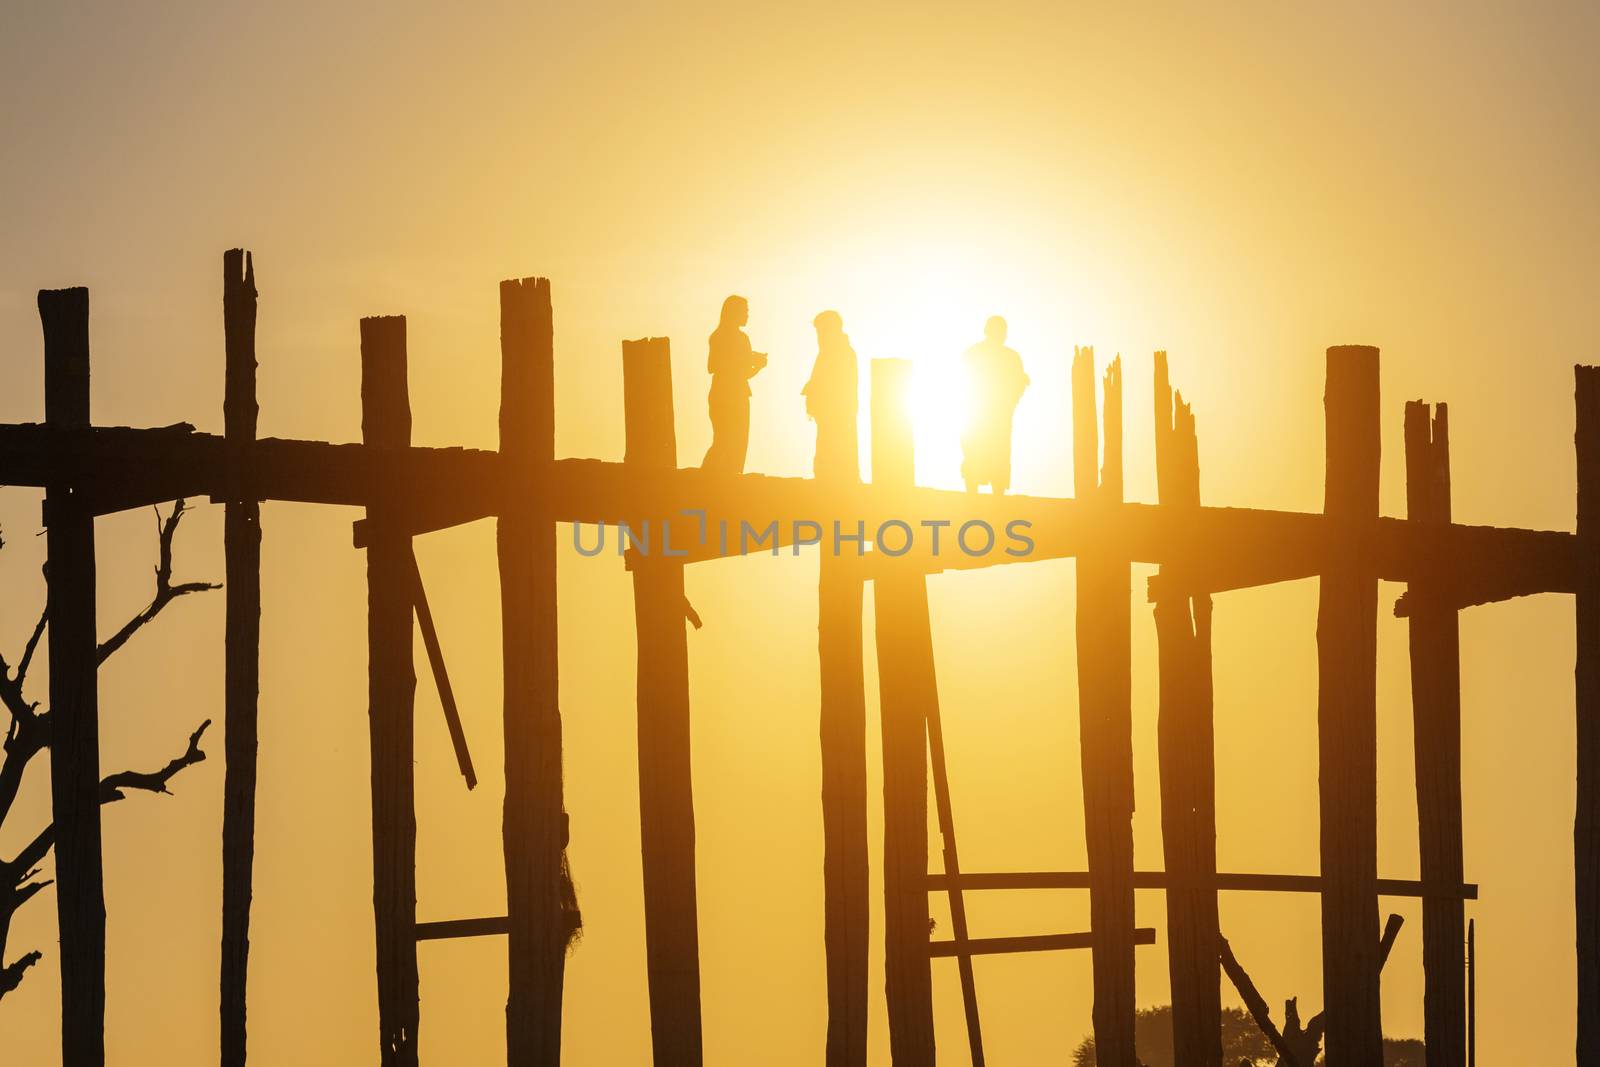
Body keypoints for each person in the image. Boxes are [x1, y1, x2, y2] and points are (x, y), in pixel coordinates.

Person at [959, 315, 1029, 494]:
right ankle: (981, 495)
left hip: (990, 416)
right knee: (981, 453)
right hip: (982, 415)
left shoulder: (973, 354)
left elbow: (1019, 384)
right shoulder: (1009, 357)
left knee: (990, 455)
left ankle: (983, 495)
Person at [701, 295, 767, 473]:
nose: (747, 315)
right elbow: (741, 372)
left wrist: (748, 357)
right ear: (734, 312)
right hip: (734, 397)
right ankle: (715, 478)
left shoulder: (717, 336)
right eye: (745, 311)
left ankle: (707, 477)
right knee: (733, 443)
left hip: (721, 394)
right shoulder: (740, 338)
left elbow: (716, 366)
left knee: (723, 441)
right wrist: (758, 366)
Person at [801, 310, 859, 481]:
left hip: (837, 415)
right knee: (826, 455)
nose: (819, 337)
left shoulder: (842, 353)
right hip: (827, 415)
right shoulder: (828, 353)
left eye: (821, 331)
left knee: (836, 456)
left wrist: (817, 390)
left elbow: (837, 385)